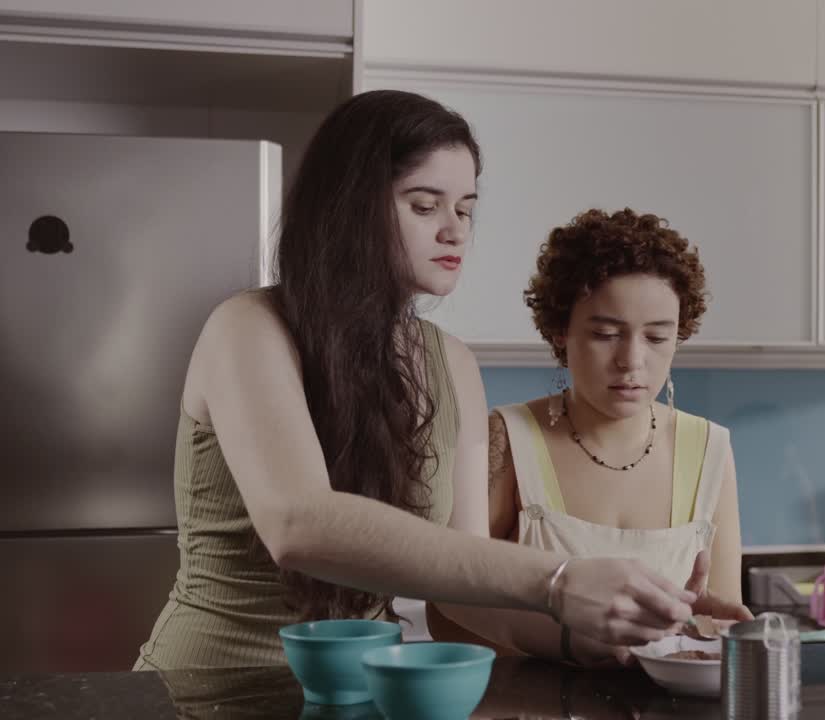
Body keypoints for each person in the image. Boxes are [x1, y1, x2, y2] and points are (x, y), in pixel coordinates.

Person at [133, 91, 696, 670]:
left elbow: (464, 584)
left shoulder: (451, 364)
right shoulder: (249, 328)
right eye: (425, 206)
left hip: (365, 699)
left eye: (466, 209)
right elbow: (300, 525)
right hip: (209, 693)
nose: (455, 231)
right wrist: (558, 580)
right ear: (350, 207)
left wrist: (620, 639)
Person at [428, 208, 751, 665]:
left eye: (658, 338)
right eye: (605, 334)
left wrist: (703, 631)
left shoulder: (709, 449)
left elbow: (718, 627)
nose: (632, 361)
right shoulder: (508, 439)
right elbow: (450, 611)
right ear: (560, 331)